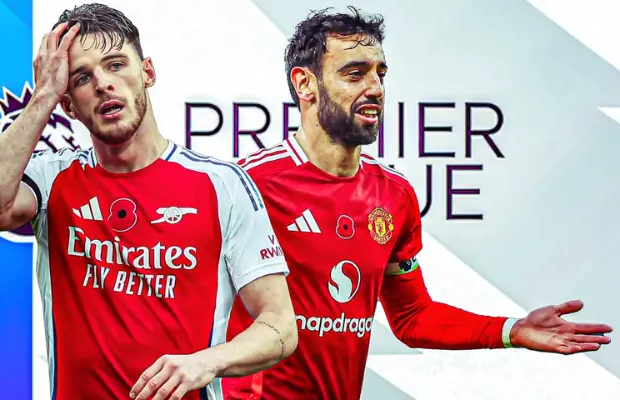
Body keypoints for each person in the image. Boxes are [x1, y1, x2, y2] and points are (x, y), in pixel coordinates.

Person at [222, 6, 613, 400]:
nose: (375, 88)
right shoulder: (246, 187)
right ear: (305, 83)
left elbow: (412, 317)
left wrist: (512, 330)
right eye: (355, 74)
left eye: (380, 74)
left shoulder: (393, 194)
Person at [0, 4, 298, 399]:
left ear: (147, 72)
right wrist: (45, 95)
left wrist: (206, 362)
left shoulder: (222, 185)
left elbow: (280, 327)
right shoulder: (52, 178)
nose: (103, 84)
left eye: (116, 64)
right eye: (82, 78)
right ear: (69, 106)